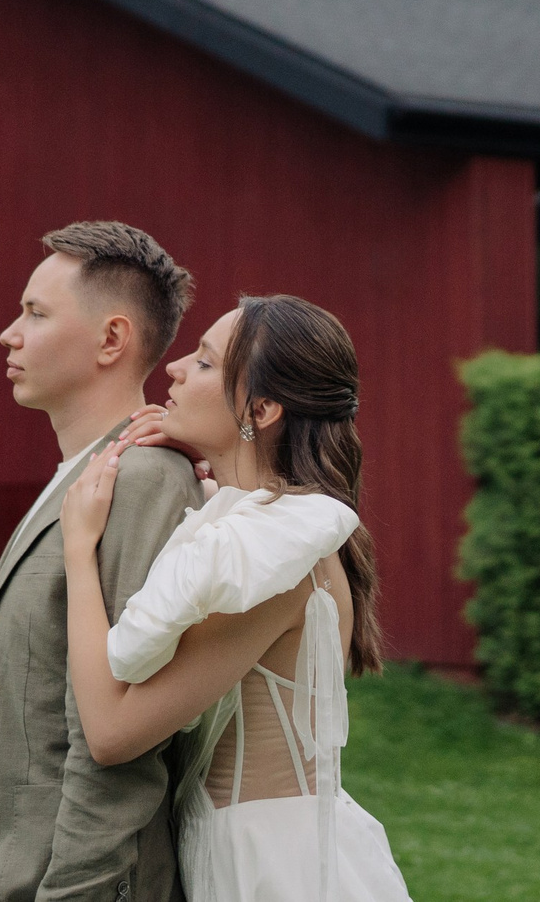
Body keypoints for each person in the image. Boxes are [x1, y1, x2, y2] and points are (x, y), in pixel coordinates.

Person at [58, 295, 415, 902]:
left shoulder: (273, 561)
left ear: (263, 408)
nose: (171, 370)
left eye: (202, 362)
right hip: (262, 846)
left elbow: (112, 732)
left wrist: (78, 549)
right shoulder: (265, 531)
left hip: (272, 868)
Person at [0, 222, 205, 902]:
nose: (10, 332)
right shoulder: (80, 477)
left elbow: (119, 737)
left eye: (35, 312)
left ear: (111, 339)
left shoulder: (143, 480)